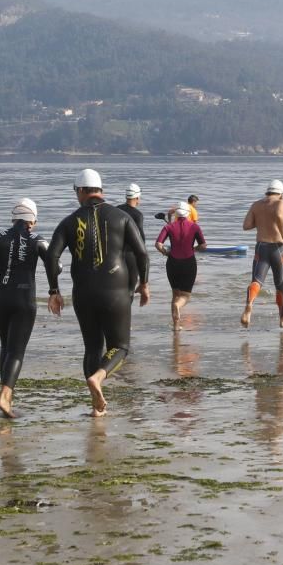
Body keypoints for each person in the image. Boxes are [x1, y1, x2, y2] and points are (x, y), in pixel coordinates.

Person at [46, 169, 151, 417]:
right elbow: (142, 253)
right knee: (120, 346)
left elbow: (51, 255)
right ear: (101, 191)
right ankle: (99, 376)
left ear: (81, 192)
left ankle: (96, 408)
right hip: (116, 292)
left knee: (92, 347)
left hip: (83, 293)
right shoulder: (122, 217)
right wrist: (144, 284)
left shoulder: (69, 221)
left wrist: (54, 291)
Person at [0, 198, 50, 418]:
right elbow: (55, 263)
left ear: (13, 218)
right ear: (33, 221)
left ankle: (6, 395)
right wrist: (54, 290)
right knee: (16, 350)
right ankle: (5, 397)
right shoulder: (37, 239)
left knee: (6, 345)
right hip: (24, 298)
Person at [241, 179, 283, 328]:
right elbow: (278, 214)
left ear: (267, 191)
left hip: (261, 247)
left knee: (257, 281)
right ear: (281, 194)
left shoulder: (256, 204)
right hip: (278, 248)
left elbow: (246, 226)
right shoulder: (282, 203)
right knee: (281, 285)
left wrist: (262, 219)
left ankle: (249, 306)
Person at [155, 201, 207, 331]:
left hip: (172, 263)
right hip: (188, 263)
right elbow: (203, 245)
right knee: (185, 296)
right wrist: (194, 249)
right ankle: (178, 306)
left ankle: (176, 326)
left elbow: (158, 244)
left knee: (175, 294)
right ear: (188, 213)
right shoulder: (194, 227)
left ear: (177, 214)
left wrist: (166, 253)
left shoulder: (169, 227)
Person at [117, 183, 145, 299]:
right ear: (137, 197)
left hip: (115, 254)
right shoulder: (137, 215)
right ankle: (125, 314)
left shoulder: (116, 210)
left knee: (116, 287)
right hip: (130, 256)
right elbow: (141, 239)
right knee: (130, 289)